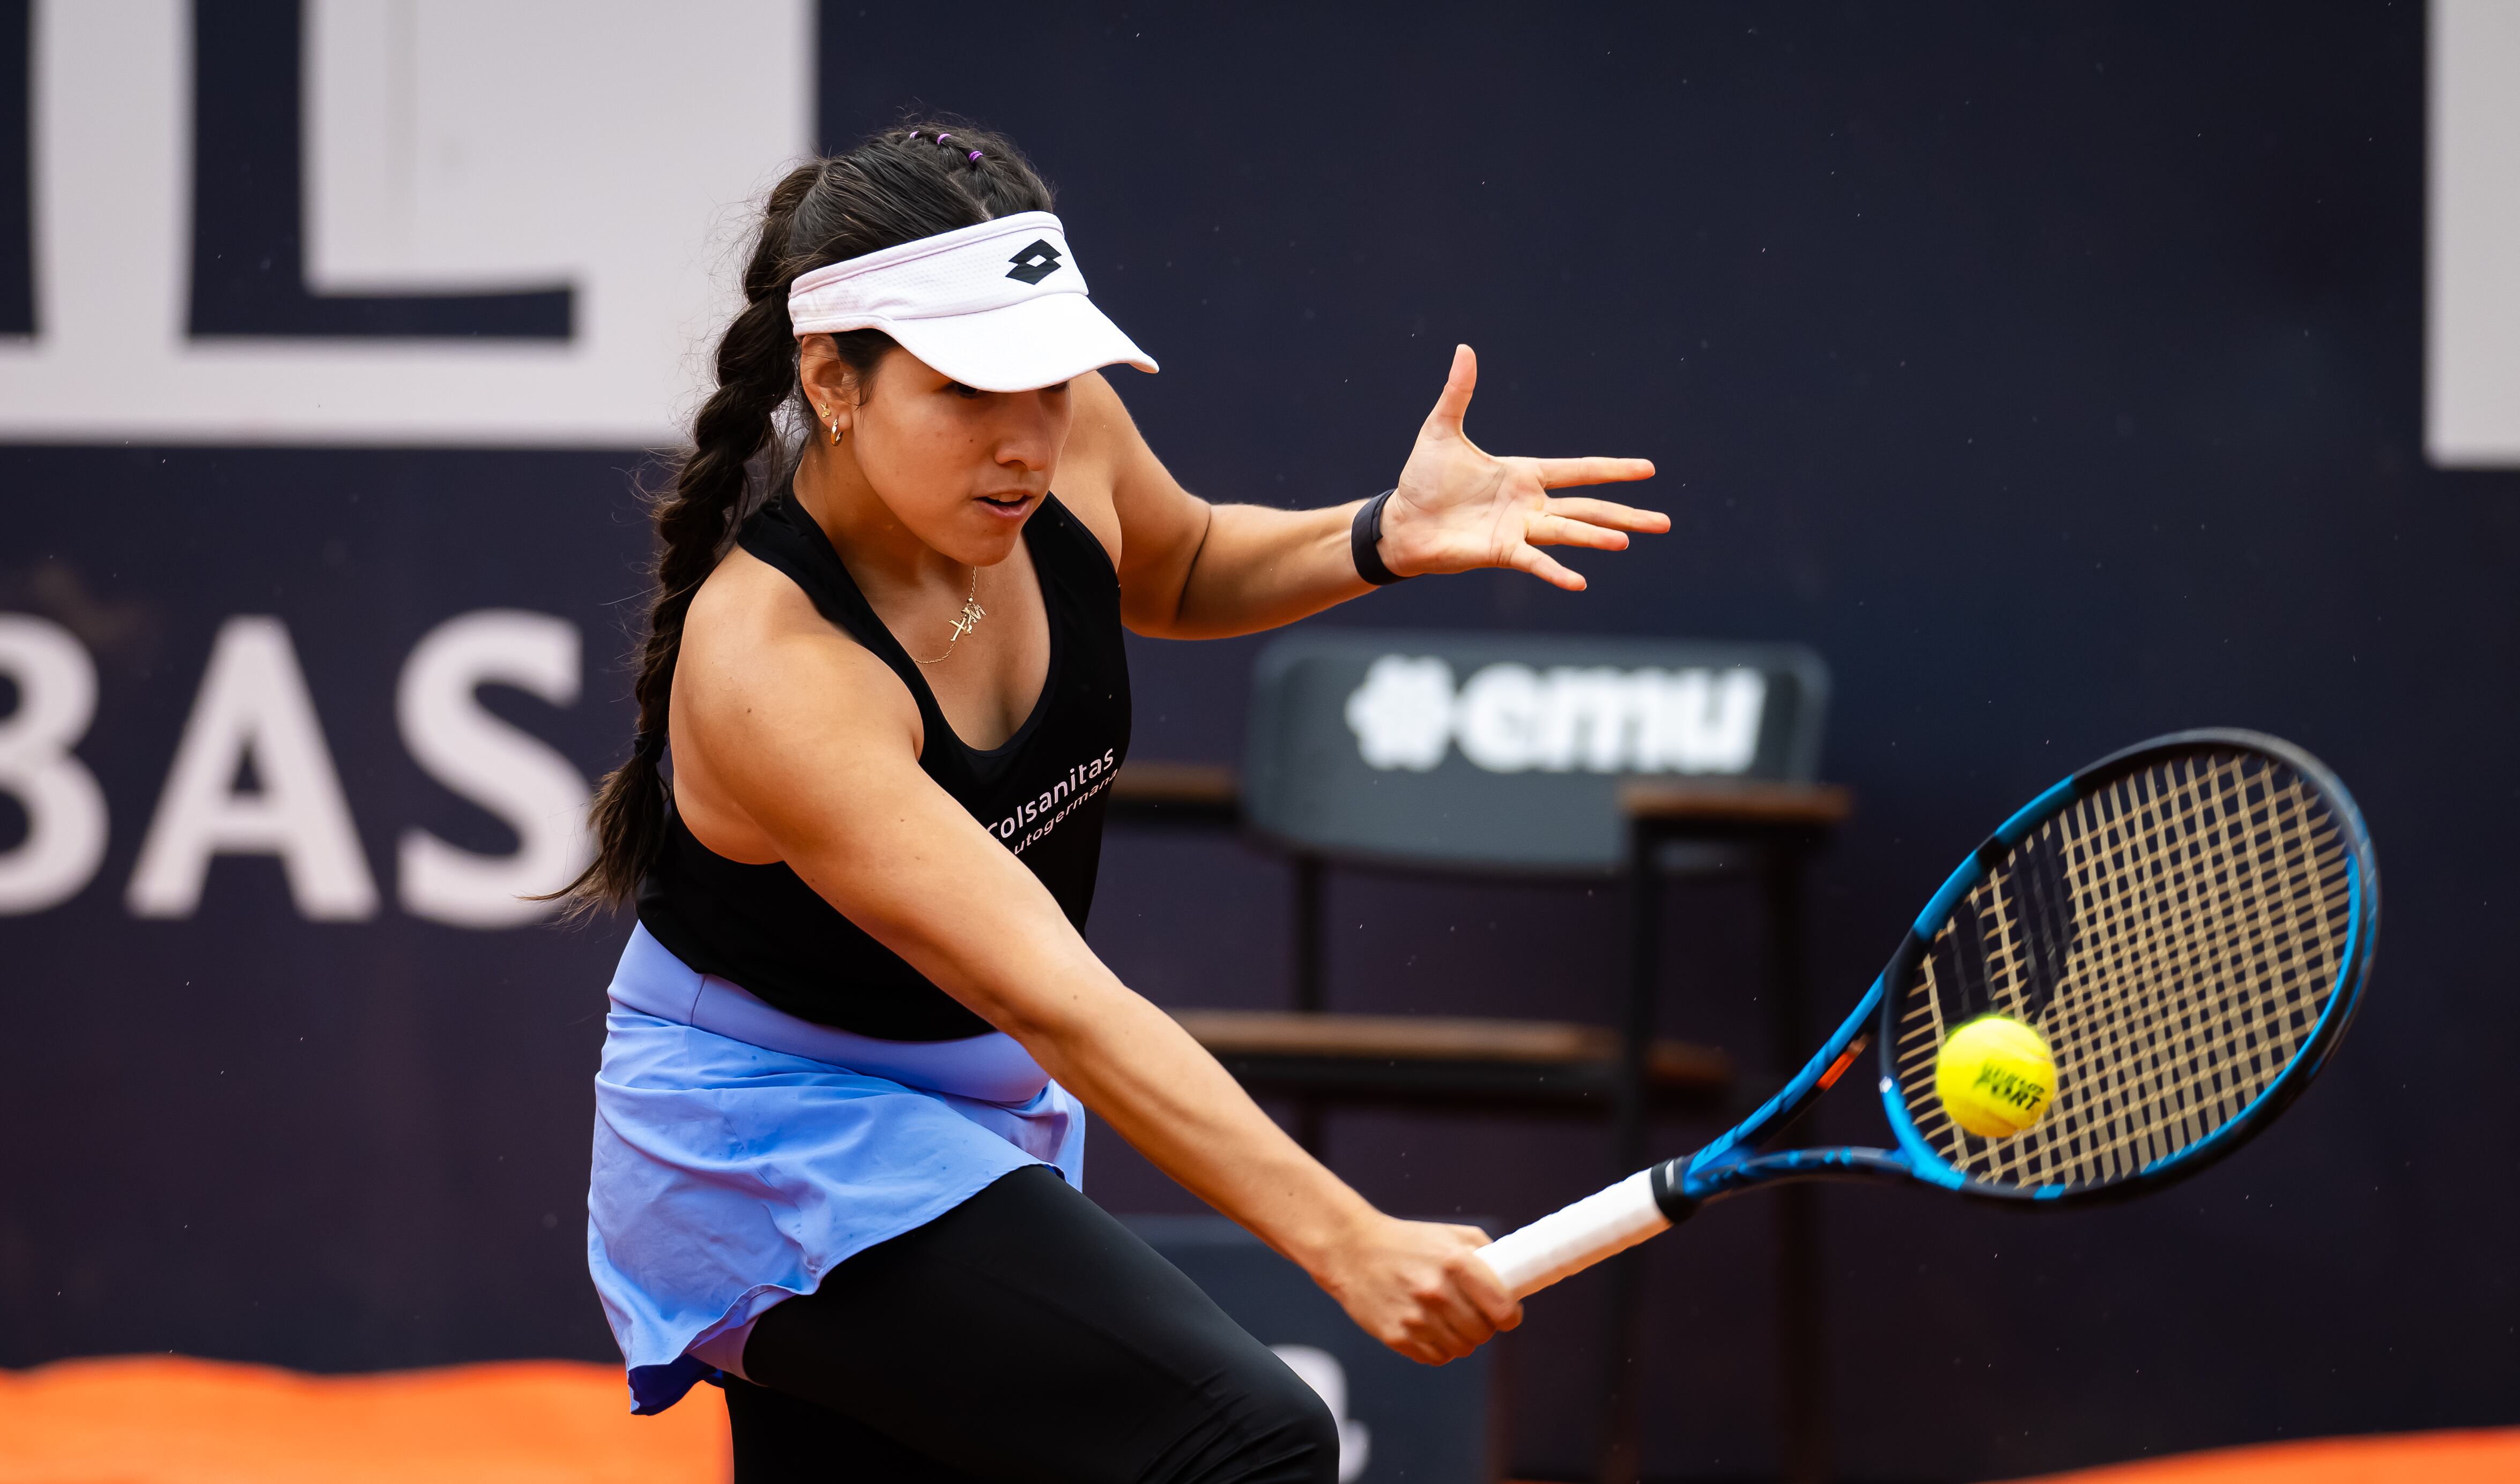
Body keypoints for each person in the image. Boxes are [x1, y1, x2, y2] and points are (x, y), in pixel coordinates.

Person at [564, 121, 1666, 1484]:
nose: (1025, 438)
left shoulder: (1064, 436)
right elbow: (1059, 997)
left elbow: (1185, 560)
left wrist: (1377, 533)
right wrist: (1342, 1235)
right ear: (831, 381)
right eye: (969, 389)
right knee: (1248, 1440)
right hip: (774, 1144)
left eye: (1048, 377)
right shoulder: (774, 669)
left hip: (964, 1107)